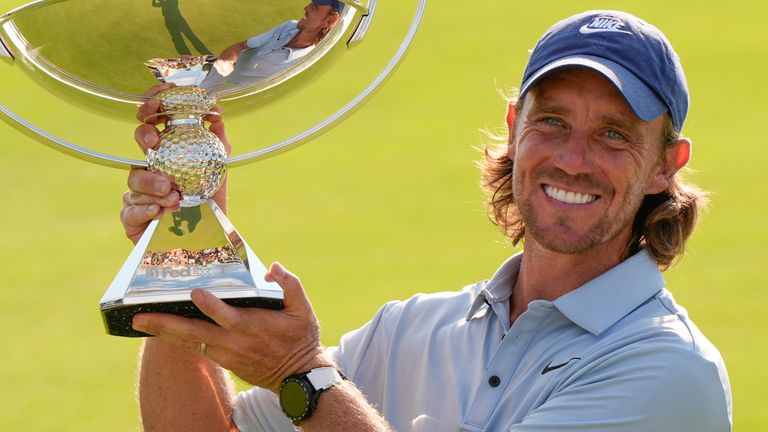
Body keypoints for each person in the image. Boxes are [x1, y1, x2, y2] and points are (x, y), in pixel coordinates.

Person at [122, 10, 732, 431]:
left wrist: (301, 375)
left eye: (614, 134)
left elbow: (308, 384)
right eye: (553, 121)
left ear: (665, 165)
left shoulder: (670, 371)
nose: (573, 160)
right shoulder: (410, 331)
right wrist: (188, 241)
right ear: (516, 127)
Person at [200, 0, 342, 90]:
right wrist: (228, 60)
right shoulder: (289, 26)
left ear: (329, 21)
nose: (306, 8)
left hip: (216, 107)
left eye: (315, 7)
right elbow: (241, 45)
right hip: (203, 81)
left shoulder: (304, 64)